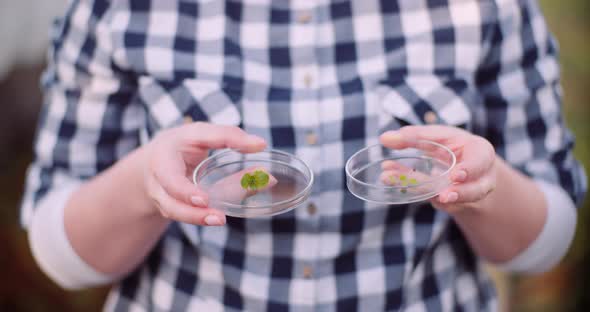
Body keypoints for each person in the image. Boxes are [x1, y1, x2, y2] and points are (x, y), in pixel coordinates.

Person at [21, 0, 587, 311]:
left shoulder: (489, 9)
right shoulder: (115, 10)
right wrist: (146, 182)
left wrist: (482, 186)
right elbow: (62, 254)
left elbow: (543, 244)